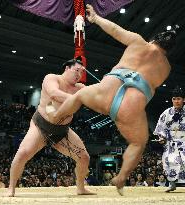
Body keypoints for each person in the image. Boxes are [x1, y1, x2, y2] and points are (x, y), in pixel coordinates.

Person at [48, 4, 177, 195]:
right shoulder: (166, 68)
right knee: (138, 143)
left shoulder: (139, 42)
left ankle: (56, 116)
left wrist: (96, 18)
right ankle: (121, 176)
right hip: (130, 107)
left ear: (154, 39)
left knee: (81, 95)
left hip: (106, 90)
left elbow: (115, 30)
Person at [6, 58, 94, 197]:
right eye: (76, 70)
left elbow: (97, 96)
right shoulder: (52, 78)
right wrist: (77, 99)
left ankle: (81, 188)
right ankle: (11, 188)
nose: (79, 74)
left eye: (81, 72)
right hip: (41, 126)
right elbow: (54, 94)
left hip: (63, 131)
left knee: (84, 158)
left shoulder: (80, 88)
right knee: (22, 154)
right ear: (67, 68)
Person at [154, 86, 185, 192]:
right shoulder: (167, 113)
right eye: (174, 99)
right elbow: (161, 128)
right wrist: (162, 137)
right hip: (171, 143)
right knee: (168, 161)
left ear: (183, 99)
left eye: (179, 99)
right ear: (172, 100)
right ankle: (172, 184)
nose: (176, 101)